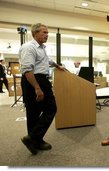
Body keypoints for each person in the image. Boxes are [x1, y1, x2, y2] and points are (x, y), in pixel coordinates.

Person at [19, 23, 64, 155]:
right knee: (50, 108)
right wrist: (37, 88)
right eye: (44, 32)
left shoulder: (41, 48)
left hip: (40, 79)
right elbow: (27, 70)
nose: (47, 35)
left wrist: (57, 65)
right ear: (35, 33)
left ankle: (33, 141)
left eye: (47, 32)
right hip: (33, 80)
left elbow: (47, 60)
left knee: (35, 112)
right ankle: (33, 138)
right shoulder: (28, 47)